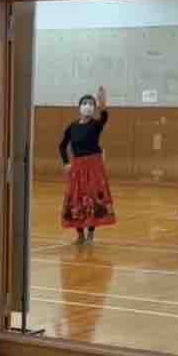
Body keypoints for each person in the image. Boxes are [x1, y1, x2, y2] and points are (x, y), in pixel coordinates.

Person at [59, 86, 117, 243]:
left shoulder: (95, 125)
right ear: (79, 107)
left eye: (91, 103)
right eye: (85, 103)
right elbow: (62, 146)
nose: (88, 106)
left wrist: (102, 103)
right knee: (76, 198)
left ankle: (91, 233)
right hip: (77, 166)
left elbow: (104, 117)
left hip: (94, 165)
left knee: (93, 198)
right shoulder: (72, 127)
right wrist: (66, 163)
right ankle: (80, 235)